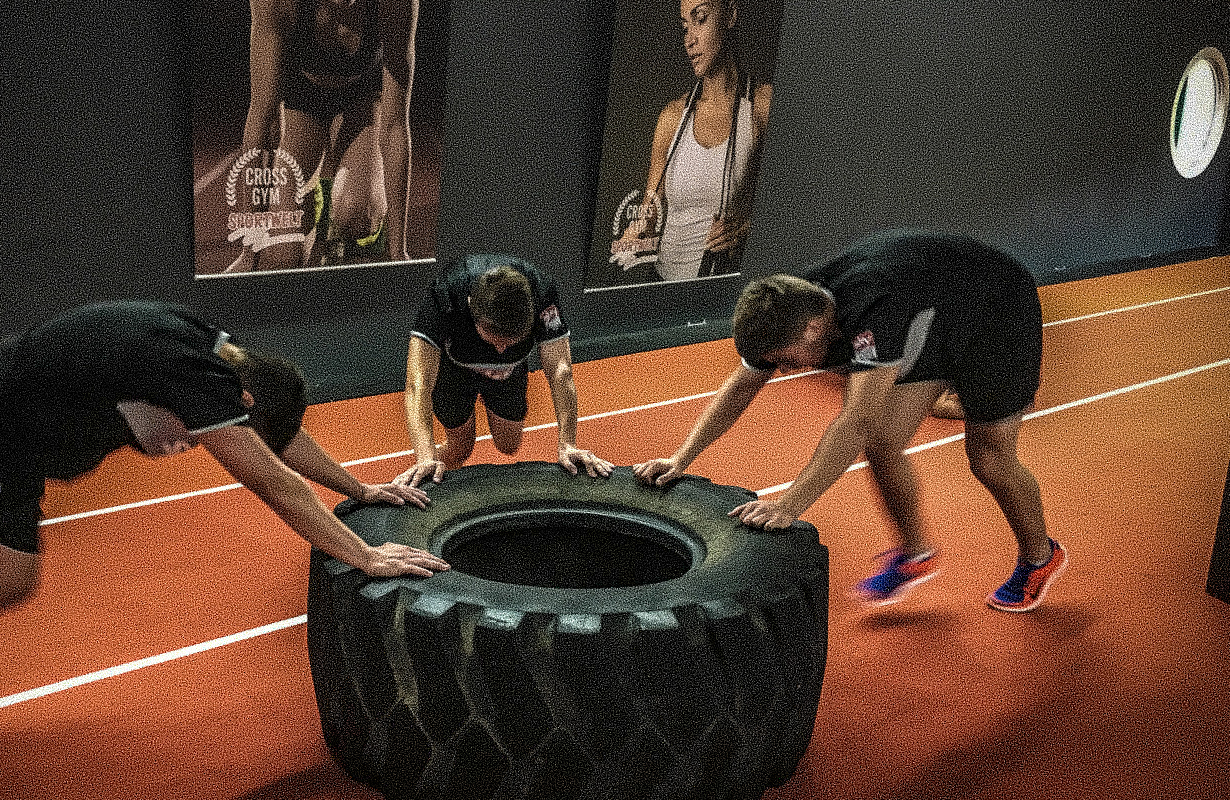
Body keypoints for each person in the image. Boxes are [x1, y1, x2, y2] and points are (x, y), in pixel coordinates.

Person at [0, 301, 448, 787]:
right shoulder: (198, 378)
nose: (199, 439)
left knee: (9, 576)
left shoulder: (217, 353)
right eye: (221, 425)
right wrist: (362, 554)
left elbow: (279, 443)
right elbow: (271, 479)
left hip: (10, 450)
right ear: (240, 398)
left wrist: (358, 488)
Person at [634, 230, 1068, 612]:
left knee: (988, 457)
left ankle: (1039, 557)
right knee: (883, 443)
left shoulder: (873, 308)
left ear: (811, 332)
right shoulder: (788, 307)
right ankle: (916, 554)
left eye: (784, 363)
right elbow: (742, 385)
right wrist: (680, 458)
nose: (783, 372)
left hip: (997, 309)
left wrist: (789, 504)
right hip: (934, 307)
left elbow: (854, 420)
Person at [226, 0, 416, 272]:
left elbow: (395, 125)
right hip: (304, 101)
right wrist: (249, 250)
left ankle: (338, 210)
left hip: (361, 100)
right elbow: (262, 119)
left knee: (357, 216)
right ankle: (313, 191)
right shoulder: (279, 3)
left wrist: (398, 254)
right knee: (282, 253)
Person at [394, 254, 614, 486]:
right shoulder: (446, 295)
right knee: (460, 449)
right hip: (455, 371)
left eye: (510, 341)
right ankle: (434, 468)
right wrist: (425, 457)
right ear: (471, 308)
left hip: (509, 371)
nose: (499, 350)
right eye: (494, 339)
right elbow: (418, 383)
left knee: (509, 445)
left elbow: (561, 371)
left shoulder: (541, 293)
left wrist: (568, 443)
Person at [614, 0, 772, 283]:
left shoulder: (760, 105)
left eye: (700, 19)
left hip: (722, 290)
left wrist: (746, 228)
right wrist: (632, 234)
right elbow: (651, 210)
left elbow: (796, 202)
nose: (690, 39)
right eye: (685, 26)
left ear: (731, 15)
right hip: (661, 284)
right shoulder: (672, 117)